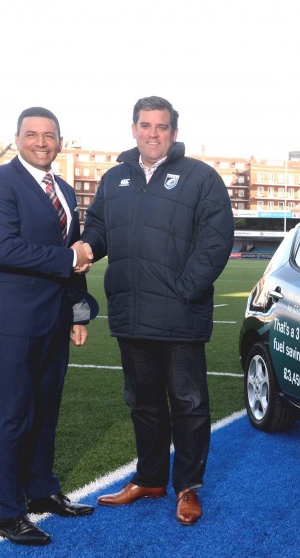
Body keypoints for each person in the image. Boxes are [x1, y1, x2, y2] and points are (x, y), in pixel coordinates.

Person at [81, 96, 234, 525]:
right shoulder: (114, 179)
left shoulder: (201, 178)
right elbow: (97, 228)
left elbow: (217, 240)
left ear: (174, 132)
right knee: (142, 401)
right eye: (145, 126)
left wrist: (184, 289)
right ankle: (149, 477)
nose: (153, 134)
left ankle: (187, 487)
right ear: (133, 129)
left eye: (161, 127)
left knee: (188, 402)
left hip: (181, 313)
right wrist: (87, 245)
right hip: (131, 313)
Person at [0, 106, 97, 546]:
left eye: (50, 135)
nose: (41, 142)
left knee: (46, 410)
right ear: (18, 138)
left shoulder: (63, 188)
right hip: (11, 322)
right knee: (15, 415)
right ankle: (10, 512)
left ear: (60, 141)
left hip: (55, 318)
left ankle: (43, 491)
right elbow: (6, 249)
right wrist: (70, 258)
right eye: (32, 134)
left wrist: (77, 311)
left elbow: (74, 258)